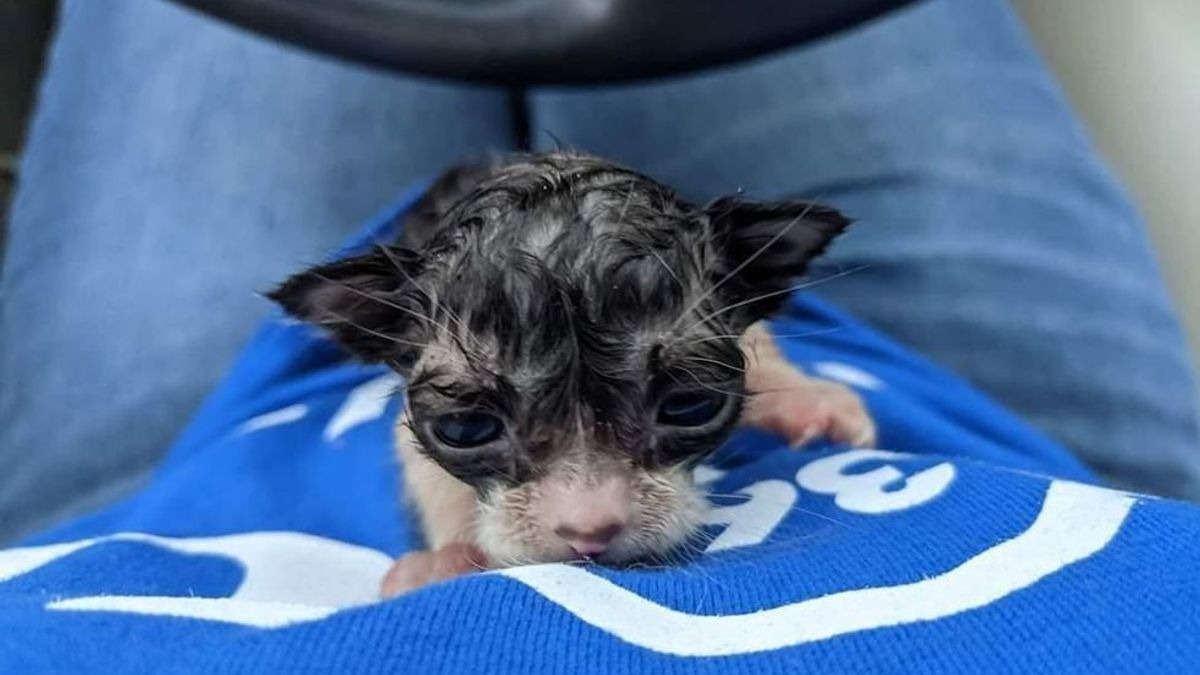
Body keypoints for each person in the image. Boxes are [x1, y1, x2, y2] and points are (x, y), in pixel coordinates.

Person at [2, 0, 1198, 543]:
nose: (588, 516)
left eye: (682, 407)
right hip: (1075, 483)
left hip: (144, 501)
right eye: (478, 423)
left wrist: (463, 547)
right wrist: (749, 381)